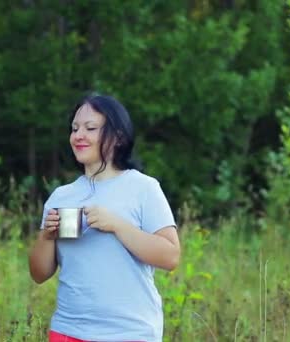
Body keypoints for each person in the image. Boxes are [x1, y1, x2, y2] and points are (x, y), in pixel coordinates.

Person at [28, 94, 181, 342]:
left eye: (90, 128)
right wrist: (46, 237)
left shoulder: (143, 188)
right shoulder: (61, 196)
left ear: (118, 136)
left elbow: (170, 256)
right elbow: (39, 274)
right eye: (74, 128)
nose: (78, 136)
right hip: (69, 330)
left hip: (130, 332)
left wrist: (117, 225)